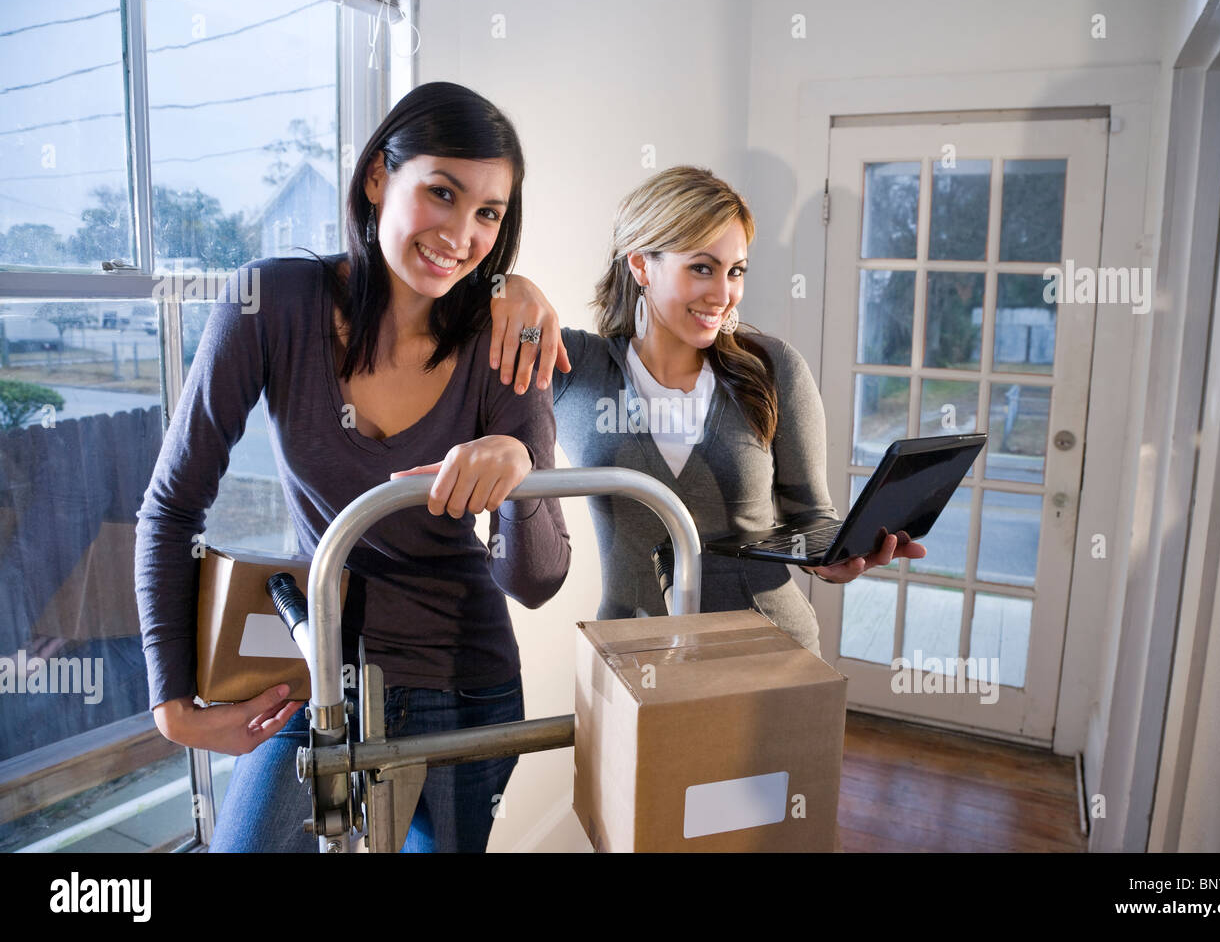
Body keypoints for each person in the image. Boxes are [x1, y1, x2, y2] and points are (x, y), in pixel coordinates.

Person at [134, 82, 570, 853]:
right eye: (442, 192)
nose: (462, 234)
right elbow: (173, 507)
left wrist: (522, 468)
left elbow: (534, 581)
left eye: (489, 214)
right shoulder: (268, 305)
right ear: (377, 177)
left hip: (464, 681)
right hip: (316, 667)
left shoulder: (507, 340)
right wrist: (171, 700)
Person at [412, 166, 924, 655]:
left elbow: (812, 517)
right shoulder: (572, 367)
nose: (723, 294)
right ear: (641, 264)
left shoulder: (774, 368)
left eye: (736, 271)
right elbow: (440, 300)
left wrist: (835, 559)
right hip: (633, 650)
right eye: (701, 267)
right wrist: (512, 285)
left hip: (771, 648)